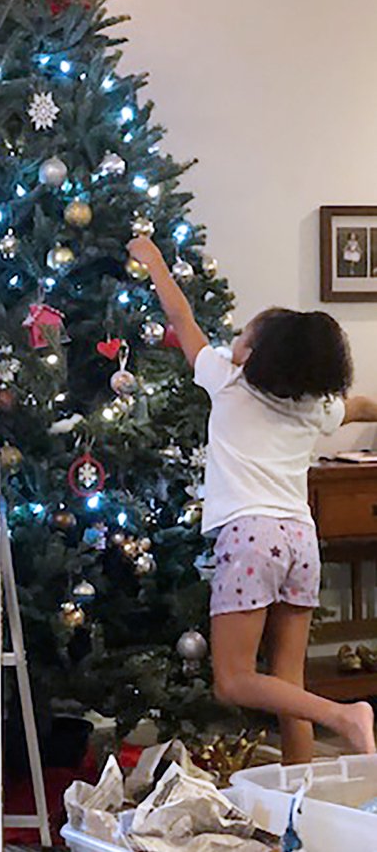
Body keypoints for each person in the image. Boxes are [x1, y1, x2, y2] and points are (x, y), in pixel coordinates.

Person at [128, 235, 377, 762]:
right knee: (290, 682)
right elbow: (358, 407)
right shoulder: (315, 406)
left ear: (255, 357)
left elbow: (182, 317)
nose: (232, 342)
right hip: (301, 540)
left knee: (234, 681)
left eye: (242, 337)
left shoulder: (228, 383)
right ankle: (301, 805)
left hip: (250, 540)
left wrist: (154, 263)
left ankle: (344, 715)